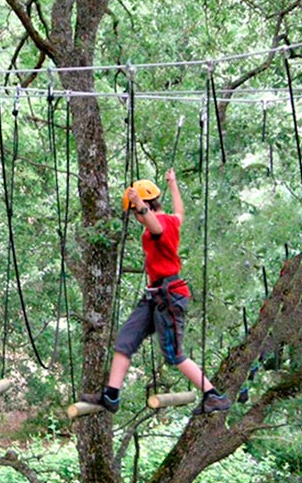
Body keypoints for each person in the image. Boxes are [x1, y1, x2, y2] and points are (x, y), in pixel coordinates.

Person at [80, 168, 229, 415]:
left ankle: (214, 395)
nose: (137, 218)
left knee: (174, 354)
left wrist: (139, 205)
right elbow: (179, 211)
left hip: (169, 296)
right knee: (124, 341)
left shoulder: (158, 226)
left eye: (136, 213)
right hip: (154, 295)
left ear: (146, 206)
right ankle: (111, 395)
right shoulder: (172, 220)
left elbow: (155, 226)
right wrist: (173, 184)